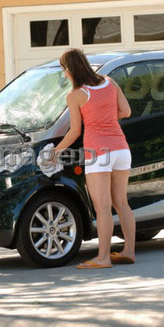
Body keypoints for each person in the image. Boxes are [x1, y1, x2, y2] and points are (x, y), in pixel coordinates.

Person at [54, 48, 136, 269]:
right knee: (121, 203)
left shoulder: (75, 95)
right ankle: (128, 251)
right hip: (121, 149)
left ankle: (103, 258)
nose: (64, 74)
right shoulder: (110, 82)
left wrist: (56, 151)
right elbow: (126, 111)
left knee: (102, 208)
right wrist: (107, 117)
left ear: (69, 69)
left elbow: (74, 132)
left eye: (64, 70)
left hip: (98, 152)